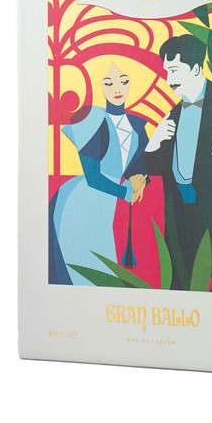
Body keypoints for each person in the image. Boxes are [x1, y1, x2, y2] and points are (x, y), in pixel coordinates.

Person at [125, 34, 212, 289]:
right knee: (181, 285)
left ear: (196, 68)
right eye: (167, 72)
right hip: (179, 214)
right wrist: (154, 143)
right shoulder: (173, 115)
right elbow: (154, 168)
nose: (168, 80)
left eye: (174, 71)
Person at [49, 62, 148, 285]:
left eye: (124, 81)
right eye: (108, 83)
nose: (117, 88)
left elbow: (143, 164)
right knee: (85, 264)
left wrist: (140, 179)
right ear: (99, 86)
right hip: (82, 201)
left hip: (109, 204)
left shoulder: (137, 125)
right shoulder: (90, 119)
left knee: (104, 264)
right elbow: (93, 178)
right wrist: (126, 191)